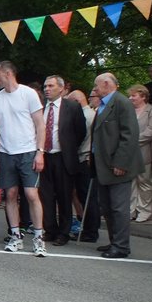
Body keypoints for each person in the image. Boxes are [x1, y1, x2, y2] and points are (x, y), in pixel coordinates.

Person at [0, 61, 47, 256]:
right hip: (6, 153)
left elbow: (40, 125)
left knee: (31, 194)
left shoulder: (28, 94)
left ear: (8, 73)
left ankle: (38, 238)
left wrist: (40, 152)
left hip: (28, 151)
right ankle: (15, 236)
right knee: (10, 195)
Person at [92, 72, 143, 258]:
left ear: (106, 84)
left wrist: (121, 162)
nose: (95, 89)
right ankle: (115, 241)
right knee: (107, 206)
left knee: (119, 208)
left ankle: (121, 246)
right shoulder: (103, 104)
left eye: (96, 85)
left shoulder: (122, 103)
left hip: (118, 165)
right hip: (104, 164)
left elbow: (129, 135)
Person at [38, 75, 86, 246]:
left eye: (50, 86)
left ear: (61, 88)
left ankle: (64, 232)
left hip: (63, 157)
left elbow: (80, 131)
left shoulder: (72, 107)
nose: (47, 89)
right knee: (46, 195)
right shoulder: (40, 107)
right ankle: (50, 229)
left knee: (64, 196)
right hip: (44, 156)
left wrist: (68, 147)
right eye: (45, 86)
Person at [65, 90, 100, 242]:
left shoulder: (86, 116)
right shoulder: (91, 114)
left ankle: (90, 231)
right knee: (85, 196)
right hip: (85, 158)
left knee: (87, 196)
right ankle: (90, 229)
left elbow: (79, 138)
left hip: (84, 158)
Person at [128, 84, 152, 223]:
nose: (130, 98)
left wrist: (131, 141)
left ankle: (144, 210)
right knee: (130, 182)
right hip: (129, 153)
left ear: (143, 96)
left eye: (133, 95)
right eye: (130, 95)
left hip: (145, 151)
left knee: (144, 181)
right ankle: (131, 210)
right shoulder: (128, 111)